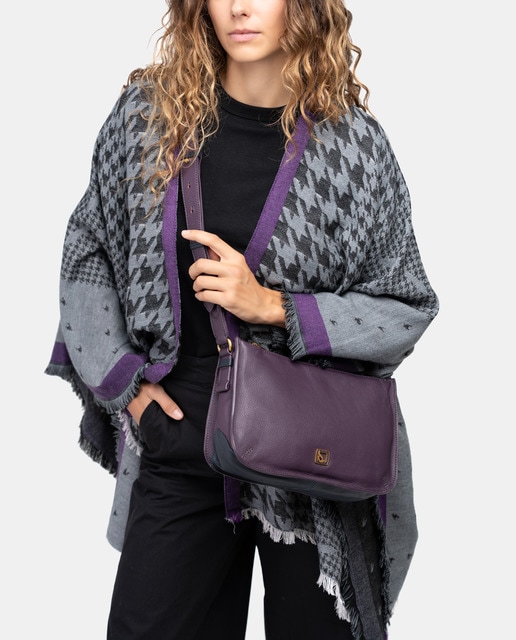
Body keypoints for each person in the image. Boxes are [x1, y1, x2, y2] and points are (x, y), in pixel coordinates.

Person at [46, 1, 439, 638]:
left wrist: (274, 307)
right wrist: (127, 388)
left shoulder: (353, 147)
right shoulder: (149, 118)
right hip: (180, 440)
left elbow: (405, 306)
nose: (239, 7)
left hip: (315, 464)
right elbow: (88, 252)